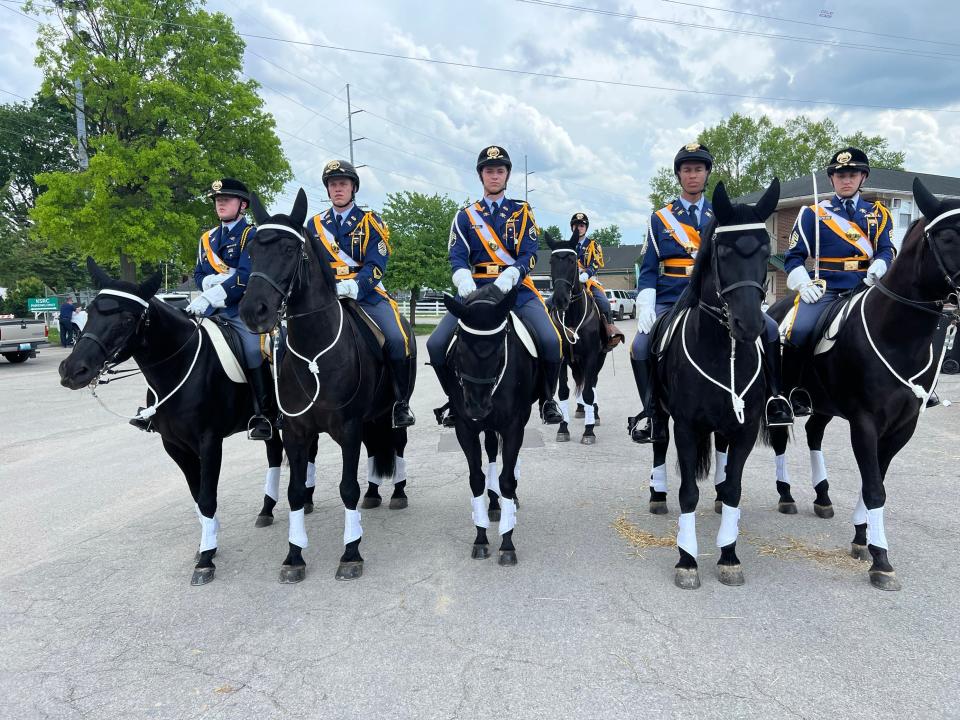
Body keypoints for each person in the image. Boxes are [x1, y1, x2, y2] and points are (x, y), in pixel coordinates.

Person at [630, 143, 792, 442]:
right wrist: (646, 305)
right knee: (640, 346)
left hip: (716, 298)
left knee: (769, 330)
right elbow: (650, 267)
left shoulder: (723, 213)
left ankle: (774, 398)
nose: (693, 175)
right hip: (671, 296)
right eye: (687, 170)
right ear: (679, 175)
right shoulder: (660, 218)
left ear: (707, 174)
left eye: (699, 169)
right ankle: (652, 412)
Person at [426, 145, 563, 426]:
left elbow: (530, 252)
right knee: (436, 343)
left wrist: (511, 275)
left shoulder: (522, 212)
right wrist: (463, 280)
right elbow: (457, 255)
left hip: (516, 291)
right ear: (481, 176)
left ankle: (548, 399)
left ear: (507, 175)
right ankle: (454, 400)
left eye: (500, 171)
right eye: (489, 171)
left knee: (551, 341)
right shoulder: (465, 216)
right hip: (474, 292)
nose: (494, 175)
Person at [133, 177, 276, 439]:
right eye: (217, 200)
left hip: (239, 311)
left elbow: (246, 276)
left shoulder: (252, 236)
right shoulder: (207, 238)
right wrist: (207, 282)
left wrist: (214, 294)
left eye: (226, 199)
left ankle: (264, 413)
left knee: (253, 350)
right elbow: (199, 273)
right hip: (208, 311)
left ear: (242, 205)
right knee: (171, 346)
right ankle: (159, 408)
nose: (220, 203)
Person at [781, 146, 895, 414]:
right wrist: (802, 283)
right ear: (831, 179)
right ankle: (792, 393)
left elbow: (887, 249)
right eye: (840, 175)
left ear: (863, 178)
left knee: (902, 322)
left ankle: (914, 384)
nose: (846, 180)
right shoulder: (813, 214)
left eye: (852, 175)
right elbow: (794, 257)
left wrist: (880, 265)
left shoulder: (878, 214)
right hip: (826, 288)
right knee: (797, 330)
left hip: (867, 287)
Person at [304, 159, 415, 428]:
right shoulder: (314, 225)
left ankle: (400, 403)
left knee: (397, 338)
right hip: (326, 298)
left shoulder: (370, 222)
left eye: (343, 183)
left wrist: (354, 286)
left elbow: (377, 265)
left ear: (354, 187)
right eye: (333, 184)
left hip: (367, 294)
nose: (338, 189)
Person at [569, 212, 624, 351]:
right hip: (570, 282)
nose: (578, 228)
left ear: (586, 228)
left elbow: (596, 263)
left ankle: (609, 332)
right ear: (572, 227)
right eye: (576, 225)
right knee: (551, 303)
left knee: (604, 303)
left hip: (589, 281)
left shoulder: (593, 245)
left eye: (581, 226)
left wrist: (586, 274)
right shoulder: (568, 245)